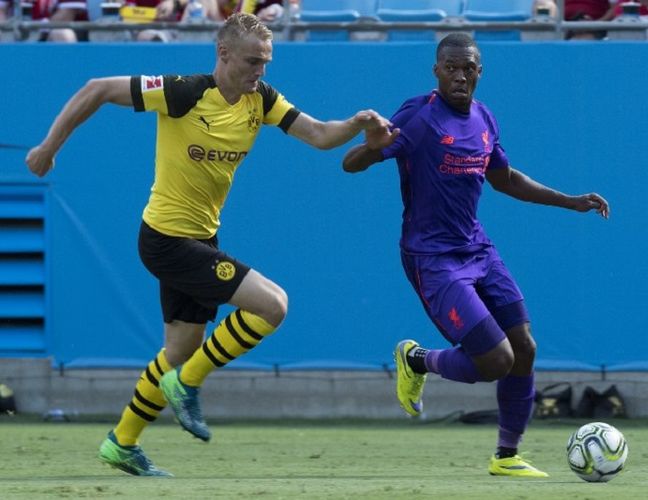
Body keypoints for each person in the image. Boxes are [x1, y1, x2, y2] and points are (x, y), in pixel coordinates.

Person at [26, 12, 390, 477]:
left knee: (178, 349)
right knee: (273, 305)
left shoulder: (262, 100)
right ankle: (189, 383)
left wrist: (358, 124)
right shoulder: (184, 91)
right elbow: (97, 87)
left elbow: (319, 135)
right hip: (166, 241)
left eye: (266, 62)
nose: (261, 71)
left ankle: (122, 442)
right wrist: (47, 148)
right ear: (223, 54)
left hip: (200, 237)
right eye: (253, 61)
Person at [342, 33, 609, 478]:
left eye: (469, 68)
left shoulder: (484, 117)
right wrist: (372, 146)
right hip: (433, 258)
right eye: (451, 67)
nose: (460, 75)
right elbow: (351, 164)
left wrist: (570, 201)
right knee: (496, 361)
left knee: (524, 347)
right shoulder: (419, 116)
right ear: (437, 70)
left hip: (478, 249)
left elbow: (504, 179)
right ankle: (416, 359)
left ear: (480, 72)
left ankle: (507, 456)